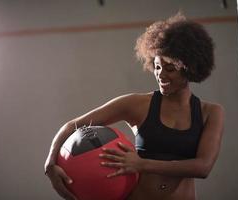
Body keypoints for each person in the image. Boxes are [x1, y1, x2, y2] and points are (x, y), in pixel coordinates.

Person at [44, 13, 224, 200]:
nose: (161, 75)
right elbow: (72, 125)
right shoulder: (137, 104)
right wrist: (50, 165)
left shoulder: (210, 113)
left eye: (169, 69)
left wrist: (142, 164)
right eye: (157, 67)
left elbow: (203, 167)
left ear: (189, 68)